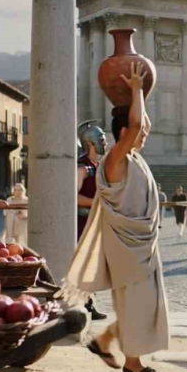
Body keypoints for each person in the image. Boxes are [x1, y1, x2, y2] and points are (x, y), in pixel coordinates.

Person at [67, 62, 168, 372]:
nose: (145, 133)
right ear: (124, 133)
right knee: (137, 302)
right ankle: (133, 365)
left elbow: (140, 123)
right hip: (128, 246)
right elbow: (137, 126)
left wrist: (140, 96)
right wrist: (136, 89)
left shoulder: (134, 158)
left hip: (141, 244)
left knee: (144, 302)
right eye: (140, 131)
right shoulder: (115, 159)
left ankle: (106, 338)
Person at [76, 121, 109, 321]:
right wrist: (97, 202)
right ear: (90, 143)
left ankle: (89, 304)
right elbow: (74, 196)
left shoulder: (98, 166)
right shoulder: (83, 167)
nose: (105, 143)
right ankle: (83, 305)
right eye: (102, 139)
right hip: (82, 222)